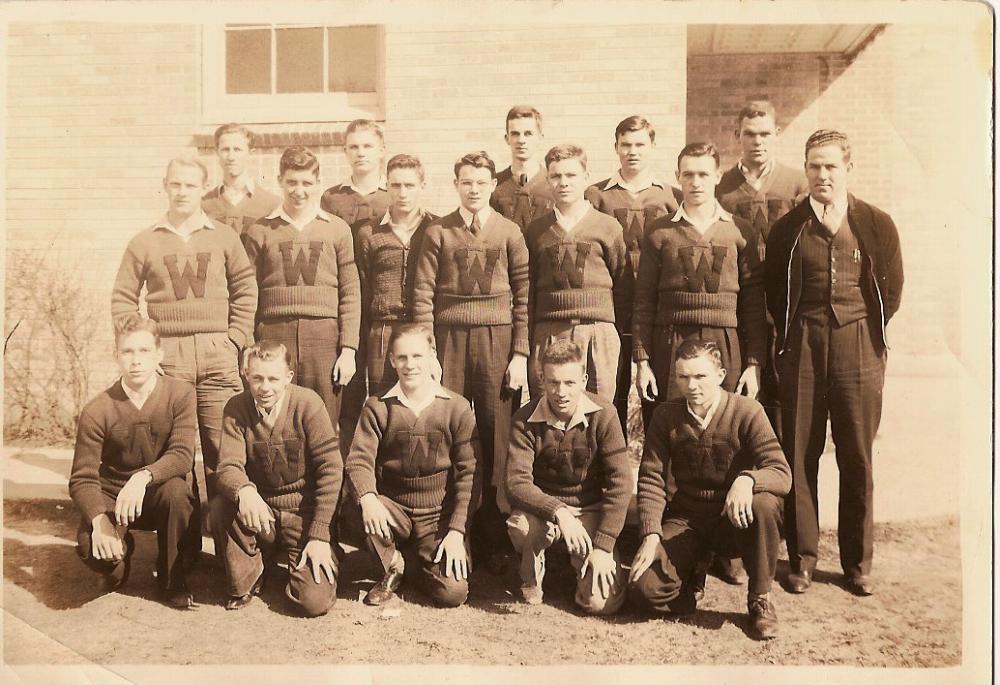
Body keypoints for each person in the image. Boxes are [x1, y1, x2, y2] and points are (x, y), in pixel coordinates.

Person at [764, 129, 903, 597]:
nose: (822, 175)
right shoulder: (788, 227)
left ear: (848, 167)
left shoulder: (875, 222)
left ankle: (857, 563)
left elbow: (892, 288)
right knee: (799, 451)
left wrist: (864, 332)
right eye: (814, 166)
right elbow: (773, 291)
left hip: (858, 342)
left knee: (856, 455)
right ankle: (801, 558)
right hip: (802, 344)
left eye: (830, 166)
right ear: (805, 170)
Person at [633, 141, 767, 589]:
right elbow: (644, 301)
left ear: (716, 177)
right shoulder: (658, 232)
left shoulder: (739, 231)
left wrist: (751, 362)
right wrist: (644, 359)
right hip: (671, 342)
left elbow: (752, 304)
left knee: (727, 432)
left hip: (725, 340)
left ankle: (728, 546)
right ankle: (677, 538)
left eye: (703, 175)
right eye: (687, 175)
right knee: (674, 435)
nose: (695, 183)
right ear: (678, 176)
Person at [112, 156, 257, 503]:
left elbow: (246, 289)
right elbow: (122, 300)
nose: (182, 192)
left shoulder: (224, 237)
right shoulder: (144, 241)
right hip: (169, 356)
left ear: (203, 189)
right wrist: (146, 353)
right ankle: (185, 552)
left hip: (217, 352)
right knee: (174, 452)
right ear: (164, 186)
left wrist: (235, 339)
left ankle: (229, 551)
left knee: (226, 450)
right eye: (175, 184)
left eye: (190, 185)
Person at [412, 150, 530, 574]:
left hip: (497, 341)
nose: (474, 189)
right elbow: (423, 295)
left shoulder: (509, 231)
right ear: (456, 184)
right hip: (450, 340)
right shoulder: (438, 232)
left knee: (498, 431)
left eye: (481, 182)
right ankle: (450, 523)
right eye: (466, 182)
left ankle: (494, 530)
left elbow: (523, 295)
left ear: (491, 185)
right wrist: (429, 354)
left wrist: (519, 353)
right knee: (453, 428)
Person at [629, 339, 790, 640]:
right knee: (643, 590)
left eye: (700, 376)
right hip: (688, 519)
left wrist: (748, 480)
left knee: (765, 504)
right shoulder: (666, 416)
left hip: (733, 518)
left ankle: (760, 598)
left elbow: (781, 472)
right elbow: (651, 478)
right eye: (683, 377)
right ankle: (692, 575)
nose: (691, 386)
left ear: (720, 374)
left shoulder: (747, 411)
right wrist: (651, 534)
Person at [69, 315, 200, 609]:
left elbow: (182, 455)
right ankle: (119, 555)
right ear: (116, 356)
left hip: (156, 492)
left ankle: (171, 578)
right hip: (114, 496)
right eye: (127, 352)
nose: (136, 361)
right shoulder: (97, 409)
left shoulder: (180, 394)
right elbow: (82, 478)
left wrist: (142, 477)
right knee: (96, 553)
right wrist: (100, 520)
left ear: (159, 355)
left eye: (143, 351)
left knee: (178, 494)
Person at [345, 324, 477, 607]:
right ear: (392, 360)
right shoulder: (378, 406)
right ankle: (393, 563)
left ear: (432, 355)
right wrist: (368, 498)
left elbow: (469, 476)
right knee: (356, 504)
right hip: (395, 511)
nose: (410, 365)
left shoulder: (457, 407)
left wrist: (456, 531)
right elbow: (358, 461)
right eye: (402, 358)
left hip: (437, 517)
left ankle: (416, 565)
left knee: (452, 593)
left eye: (417, 356)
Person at [211, 341, 342, 616]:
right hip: (263, 513)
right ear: (246, 375)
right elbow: (228, 466)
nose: (264, 387)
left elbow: (331, 469)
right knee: (223, 504)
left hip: (302, 514)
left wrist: (318, 534)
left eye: (273, 378)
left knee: (312, 602)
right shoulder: (236, 408)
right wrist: (245, 491)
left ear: (288, 377)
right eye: (257, 378)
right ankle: (252, 570)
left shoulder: (308, 404)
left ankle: (325, 552)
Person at [242, 145, 360, 441]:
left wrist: (348, 349)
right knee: (275, 420)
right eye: (292, 182)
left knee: (323, 421)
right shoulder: (260, 230)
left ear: (318, 183)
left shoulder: (337, 229)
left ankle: (327, 487)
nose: (299, 190)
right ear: (280, 180)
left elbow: (350, 291)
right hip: (273, 332)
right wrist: (247, 343)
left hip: (323, 335)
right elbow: (246, 293)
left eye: (307, 183)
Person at [506, 339, 632, 614]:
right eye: (552, 382)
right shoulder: (525, 418)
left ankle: (580, 566)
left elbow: (620, 484)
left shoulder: (605, 415)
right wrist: (559, 512)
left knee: (599, 604)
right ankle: (531, 574)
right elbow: (516, 483)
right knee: (521, 527)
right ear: (541, 379)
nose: (560, 392)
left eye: (569, 383)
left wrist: (604, 545)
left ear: (584, 379)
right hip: (544, 514)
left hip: (589, 511)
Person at [716, 100, 808, 436]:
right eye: (750, 134)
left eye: (765, 133)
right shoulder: (721, 187)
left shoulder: (797, 184)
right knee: (743, 387)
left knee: (784, 392)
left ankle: (782, 476)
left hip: (786, 300)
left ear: (777, 134)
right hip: (743, 299)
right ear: (737, 135)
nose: (758, 141)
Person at [585, 115, 682, 432]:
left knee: (656, 395)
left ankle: (653, 474)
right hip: (612, 308)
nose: (633, 151)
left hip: (654, 309)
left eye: (640, 144)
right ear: (615, 147)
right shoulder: (596, 196)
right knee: (610, 394)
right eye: (626, 144)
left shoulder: (671, 196)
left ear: (652, 146)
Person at [526, 144, 630, 404]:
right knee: (549, 410)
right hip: (550, 330)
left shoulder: (608, 227)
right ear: (548, 179)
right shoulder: (536, 230)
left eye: (571, 175)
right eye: (556, 176)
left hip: (597, 332)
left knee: (599, 409)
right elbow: (527, 290)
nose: (563, 182)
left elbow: (623, 284)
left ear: (586, 176)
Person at [319, 119, 392, 460]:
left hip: (381, 309)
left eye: (367, 146)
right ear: (345, 151)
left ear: (381, 150)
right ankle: (348, 477)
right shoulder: (332, 198)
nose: (360, 152)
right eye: (354, 146)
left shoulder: (393, 195)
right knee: (346, 394)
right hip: (344, 308)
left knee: (383, 392)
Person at [355, 153, 439, 397]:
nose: (402, 193)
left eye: (409, 185)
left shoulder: (437, 228)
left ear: (422, 186)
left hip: (424, 327)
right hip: (383, 330)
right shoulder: (368, 232)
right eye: (396, 185)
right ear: (386, 185)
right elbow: (363, 287)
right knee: (383, 401)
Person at [201, 123, 281, 237]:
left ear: (250, 153)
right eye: (225, 150)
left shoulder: (272, 205)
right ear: (217, 152)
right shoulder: (204, 204)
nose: (231, 157)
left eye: (237, 150)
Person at [490, 105, 554, 233]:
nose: (521, 140)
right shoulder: (492, 185)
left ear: (540, 137)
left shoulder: (555, 183)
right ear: (507, 139)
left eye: (528, 134)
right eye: (515, 134)